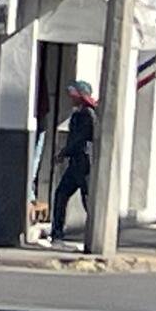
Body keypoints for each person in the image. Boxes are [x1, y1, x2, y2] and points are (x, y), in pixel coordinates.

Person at [49, 81, 96, 246]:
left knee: (87, 199)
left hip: (84, 163)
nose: (71, 98)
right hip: (76, 162)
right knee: (61, 194)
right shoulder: (79, 113)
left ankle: (95, 234)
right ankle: (57, 233)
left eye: (74, 95)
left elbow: (79, 139)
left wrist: (63, 153)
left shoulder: (87, 115)